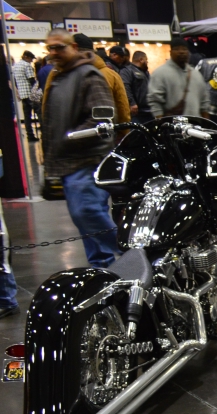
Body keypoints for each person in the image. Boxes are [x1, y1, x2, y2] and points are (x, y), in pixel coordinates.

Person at [40, 30, 119, 269]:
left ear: (73, 47)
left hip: (87, 161)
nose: (54, 52)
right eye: (50, 48)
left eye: (60, 47)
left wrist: (68, 140)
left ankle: (132, 254)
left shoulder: (89, 76)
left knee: (87, 212)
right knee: (84, 219)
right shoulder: (60, 77)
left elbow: (103, 118)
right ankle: (102, 268)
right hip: (68, 163)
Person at [43, 34, 130, 125]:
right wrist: (123, 131)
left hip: (67, 130)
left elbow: (47, 106)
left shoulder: (57, 73)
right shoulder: (111, 74)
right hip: (104, 130)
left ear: (74, 49)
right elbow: (123, 109)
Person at [149, 37, 211, 118]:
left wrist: (206, 121)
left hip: (195, 123)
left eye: (184, 49)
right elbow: (155, 101)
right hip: (171, 123)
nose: (181, 52)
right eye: (177, 49)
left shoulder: (196, 74)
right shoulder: (160, 73)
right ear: (170, 52)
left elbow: (204, 100)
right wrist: (160, 121)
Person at [125, 50, 154, 124]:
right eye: (146, 60)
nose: (147, 62)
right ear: (141, 60)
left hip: (148, 111)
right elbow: (125, 87)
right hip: (136, 112)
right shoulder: (127, 71)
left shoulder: (145, 72)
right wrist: (132, 103)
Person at [14, 50, 37, 141]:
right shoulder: (27, 66)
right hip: (30, 94)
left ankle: (30, 135)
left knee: (27, 117)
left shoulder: (16, 66)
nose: (31, 61)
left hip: (23, 94)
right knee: (39, 113)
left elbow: (15, 81)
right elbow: (32, 80)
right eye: (31, 58)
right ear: (26, 57)